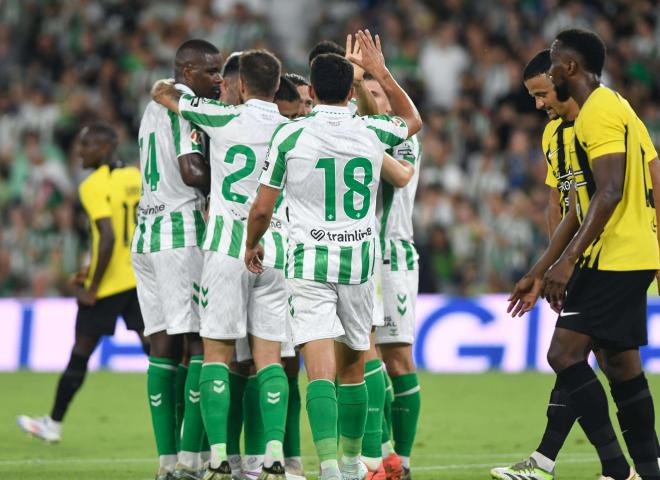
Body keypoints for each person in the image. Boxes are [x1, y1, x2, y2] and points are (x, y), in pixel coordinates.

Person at [244, 30, 421, 480]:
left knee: (317, 369)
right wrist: (378, 73)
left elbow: (263, 206)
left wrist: (252, 241)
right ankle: (350, 463)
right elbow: (412, 121)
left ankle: (327, 468)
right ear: (349, 90)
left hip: (309, 261)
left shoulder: (290, 135)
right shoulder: (371, 130)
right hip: (360, 263)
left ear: (313, 90)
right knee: (356, 366)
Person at [509, 29, 660, 480]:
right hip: (618, 253)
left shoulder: (598, 112)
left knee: (565, 354)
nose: (548, 72)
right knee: (620, 365)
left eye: (552, 64)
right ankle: (648, 470)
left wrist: (568, 261)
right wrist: (542, 269)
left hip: (617, 253)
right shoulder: (598, 114)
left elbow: (610, 192)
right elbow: (577, 206)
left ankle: (614, 469)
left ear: (569, 69)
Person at [153, 49, 291, 480]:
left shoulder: (223, 117)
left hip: (229, 248)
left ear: (243, 86)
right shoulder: (292, 130)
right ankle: (273, 455)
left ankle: (217, 459)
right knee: (269, 358)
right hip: (276, 252)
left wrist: (175, 87)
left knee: (217, 355)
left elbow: (164, 94)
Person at [17, 123, 145, 443]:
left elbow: (109, 237)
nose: (79, 151)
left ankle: (53, 424)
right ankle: (187, 425)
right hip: (142, 278)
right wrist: (89, 269)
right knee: (162, 356)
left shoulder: (92, 185)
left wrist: (92, 286)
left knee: (80, 353)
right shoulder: (136, 176)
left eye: (86, 146)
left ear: (105, 147)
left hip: (111, 284)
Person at [131, 39, 220, 480]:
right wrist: (225, 181)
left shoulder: (153, 106)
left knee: (163, 345)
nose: (218, 78)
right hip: (180, 233)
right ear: (187, 72)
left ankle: (168, 462)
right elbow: (190, 170)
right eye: (210, 71)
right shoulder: (185, 102)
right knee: (203, 342)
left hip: (147, 233)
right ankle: (189, 460)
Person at [363, 75, 420, 480]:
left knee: (397, 361)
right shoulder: (361, 132)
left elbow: (393, 175)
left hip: (393, 256)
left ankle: (404, 459)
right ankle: (384, 458)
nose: (367, 98)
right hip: (361, 257)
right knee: (367, 359)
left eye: (375, 91)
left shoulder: (402, 139)